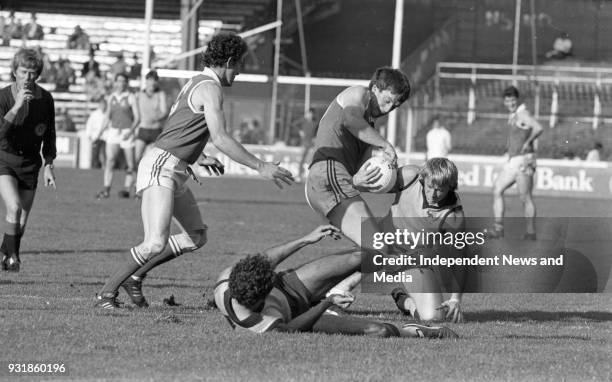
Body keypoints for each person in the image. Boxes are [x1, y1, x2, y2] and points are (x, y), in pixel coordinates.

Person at [95, 33, 294, 309]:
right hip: (161, 166)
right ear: (228, 61)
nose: (239, 72)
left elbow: (180, 126)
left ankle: (136, 275)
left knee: (196, 236)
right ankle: (105, 293)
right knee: (154, 243)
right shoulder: (211, 89)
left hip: (175, 167)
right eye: (239, 65)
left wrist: (197, 156)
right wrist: (261, 166)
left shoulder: (196, 81)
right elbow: (221, 137)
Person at [215, 224, 458, 338]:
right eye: (261, 301)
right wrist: (325, 302)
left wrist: (306, 239)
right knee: (379, 331)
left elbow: (267, 258)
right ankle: (419, 332)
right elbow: (294, 328)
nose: (263, 302)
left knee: (358, 258)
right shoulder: (255, 324)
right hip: (298, 316)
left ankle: (413, 256)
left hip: (292, 285)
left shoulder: (227, 277)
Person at [305, 67, 410, 254]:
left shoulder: (368, 128)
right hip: (327, 173)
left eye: (394, 106)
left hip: (334, 183)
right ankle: (293, 283)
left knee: (374, 250)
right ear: (376, 89)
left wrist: (358, 181)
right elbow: (350, 119)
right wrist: (385, 145)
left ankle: (331, 285)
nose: (388, 109)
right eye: (387, 101)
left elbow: (355, 180)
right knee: (378, 248)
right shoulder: (360, 93)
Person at [353, 158, 465, 322]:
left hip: (413, 259)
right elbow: (377, 185)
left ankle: (404, 300)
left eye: (440, 190)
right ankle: (325, 297)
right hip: (381, 240)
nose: (433, 194)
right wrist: (357, 182)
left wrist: (455, 299)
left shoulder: (454, 216)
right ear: (423, 179)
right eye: (429, 187)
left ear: (450, 187)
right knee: (346, 277)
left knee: (434, 317)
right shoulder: (411, 176)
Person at [0, 48, 56, 272]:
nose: (28, 77)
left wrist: (49, 163)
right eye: (23, 72)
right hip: (4, 159)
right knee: (13, 207)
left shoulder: (46, 99)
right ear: (15, 72)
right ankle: (13, 259)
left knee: (21, 220)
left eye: (32, 73)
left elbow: (50, 132)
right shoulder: (3, 97)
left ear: (38, 74)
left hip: (31, 164)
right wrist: (17, 106)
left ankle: (7, 252)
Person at [490, 86, 543, 240]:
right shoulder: (514, 115)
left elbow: (538, 128)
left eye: (513, 100)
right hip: (515, 159)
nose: (510, 103)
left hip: (524, 159)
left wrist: (528, 142)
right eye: (507, 101)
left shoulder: (522, 114)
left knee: (525, 197)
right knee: (497, 189)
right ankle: (498, 228)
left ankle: (531, 232)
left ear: (517, 100)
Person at [95, 72, 139, 199]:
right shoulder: (112, 97)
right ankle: (106, 189)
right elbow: (107, 117)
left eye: (123, 81)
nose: (120, 83)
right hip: (114, 131)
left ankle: (134, 189)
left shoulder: (130, 97)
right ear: (115, 83)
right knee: (110, 161)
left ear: (126, 83)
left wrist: (130, 132)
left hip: (126, 131)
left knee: (131, 164)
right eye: (118, 81)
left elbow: (137, 118)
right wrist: (99, 132)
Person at [134, 70, 167, 168]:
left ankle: (147, 182)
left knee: (151, 160)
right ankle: (134, 181)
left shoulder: (160, 94)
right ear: (146, 81)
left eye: (154, 80)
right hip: (143, 129)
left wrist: (154, 117)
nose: (152, 83)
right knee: (136, 158)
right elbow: (136, 113)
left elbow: (164, 111)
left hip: (155, 130)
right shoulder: (139, 94)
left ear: (157, 82)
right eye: (150, 80)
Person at [295, 108, 317, 181]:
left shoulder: (315, 123)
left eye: (310, 114)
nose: (309, 115)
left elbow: (317, 131)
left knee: (311, 160)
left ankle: (310, 176)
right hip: (304, 144)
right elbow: (294, 124)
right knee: (301, 160)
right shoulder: (303, 120)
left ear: (313, 115)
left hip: (311, 145)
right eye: (308, 113)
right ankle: (299, 175)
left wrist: (315, 137)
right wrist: (299, 131)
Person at [85, 98, 107, 169]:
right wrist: (89, 135)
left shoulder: (107, 114)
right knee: (95, 155)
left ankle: (104, 168)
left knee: (104, 155)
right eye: (102, 105)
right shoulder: (94, 114)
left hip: (105, 138)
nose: (103, 106)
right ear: (100, 105)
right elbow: (89, 125)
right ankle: (94, 169)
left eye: (104, 105)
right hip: (95, 137)